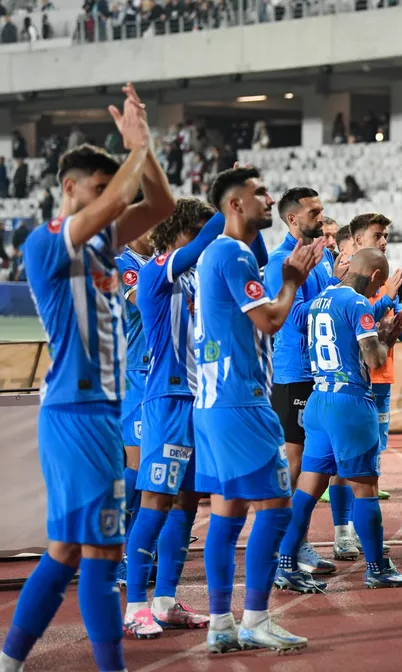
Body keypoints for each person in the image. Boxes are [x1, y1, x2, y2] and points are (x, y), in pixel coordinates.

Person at [2, 84, 175, 672]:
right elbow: (126, 197)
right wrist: (136, 146)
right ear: (70, 188)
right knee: (101, 553)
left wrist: (145, 151)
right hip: (75, 414)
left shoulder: (101, 247)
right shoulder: (47, 241)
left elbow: (159, 204)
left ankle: (10, 659)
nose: (111, 203)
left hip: (99, 413)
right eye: (99, 192)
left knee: (65, 553)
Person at [193, 166, 323, 653]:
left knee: (227, 515)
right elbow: (270, 320)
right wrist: (291, 280)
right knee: (275, 508)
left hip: (214, 403)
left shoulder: (220, 252)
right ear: (234, 204)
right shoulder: (233, 253)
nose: (269, 199)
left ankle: (221, 624)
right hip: (241, 402)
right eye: (260, 193)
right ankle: (256, 619)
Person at [123, 198, 232, 638]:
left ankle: (165, 600)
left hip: (197, 401)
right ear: (182, 232)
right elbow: (205, 241)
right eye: (200, 231)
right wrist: (232, 202)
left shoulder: (190, 277)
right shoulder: (157, 269)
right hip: (166, 400)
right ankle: (135, 606)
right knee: (155, 501)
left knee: (186, 504)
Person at [275, 248, 402, 590]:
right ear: (376, 276)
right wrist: (387, 337)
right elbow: (375, 359)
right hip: (349, 403)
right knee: (365, 487)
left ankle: (286, 563)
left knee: (309, 486)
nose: (378, 292)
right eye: (379, 285)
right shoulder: (358, 303)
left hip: (318, 398)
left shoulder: (320, 299)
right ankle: (377, 567)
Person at [262, 187, 342, 574]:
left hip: (322, 371)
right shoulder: (280, 261)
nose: (321, 218)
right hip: (295, 373)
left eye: (322, 210)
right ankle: (284, 548)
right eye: (314, 212)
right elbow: (293, 317)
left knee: (319, 465)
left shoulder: (322, 256)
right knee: (294, 465)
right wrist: (337, 298)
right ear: (293, 219)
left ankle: (296, 543)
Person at [345, 213, 402, 504]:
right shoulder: (348, 284)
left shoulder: (387, 284)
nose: (384, 241)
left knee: (377, 439)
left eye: (386, 236)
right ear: (358, 240)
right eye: (377, 235)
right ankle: (345, 491)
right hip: (356, 378)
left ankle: (369, 487)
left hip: (383, 376)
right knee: (352, 440)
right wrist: (388, 298)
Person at [114, 225, 154, 589]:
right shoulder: (124, 263)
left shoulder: (161, 262)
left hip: (164, 375)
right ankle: (118, 550)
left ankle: (140, 548)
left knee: (156, 467)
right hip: (136, 374)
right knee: (137, 465)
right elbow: (145, 300)